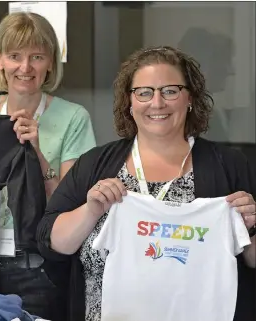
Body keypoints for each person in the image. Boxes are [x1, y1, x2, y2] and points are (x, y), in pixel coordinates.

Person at [36, 46, 256, 321]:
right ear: (130, 102)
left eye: (170, 91)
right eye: (144, 92)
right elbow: (49, 241)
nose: (157, 102)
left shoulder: (228, 166)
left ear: (190, 97)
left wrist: (251, 227)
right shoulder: (95, 165)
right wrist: (91, 211)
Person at [0, 12, 96, 321]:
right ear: (0, 60)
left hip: (39, 270)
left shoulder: (73, 118)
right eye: (15, 56)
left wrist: (37, 153)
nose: (25, 67)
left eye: (37, 56)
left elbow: (73, 207)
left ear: (50, 64)